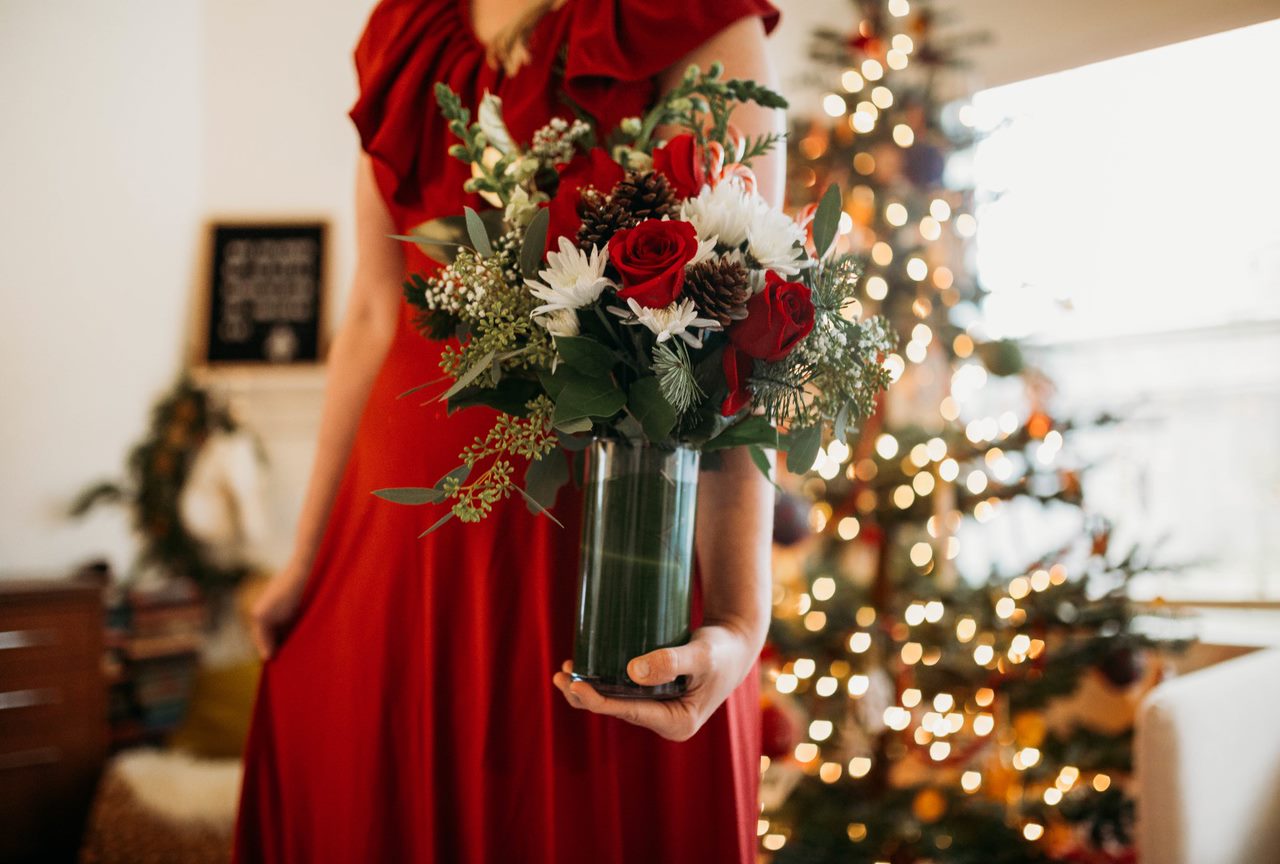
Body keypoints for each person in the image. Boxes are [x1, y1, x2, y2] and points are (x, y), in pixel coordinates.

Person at [233, 1, 782, 861]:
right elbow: (375, 316)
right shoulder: (405, 33)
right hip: (397, 559)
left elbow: (740, 338)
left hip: (604, 549)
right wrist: (304, 562)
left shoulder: (684, 14)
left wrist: (744, 623)